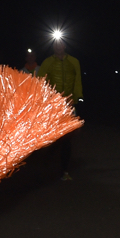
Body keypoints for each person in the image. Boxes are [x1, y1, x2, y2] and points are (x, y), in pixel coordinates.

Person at [35, 39, 82, 179]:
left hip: (69, 104)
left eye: (60, 44)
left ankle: (64, 171)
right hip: (54, 105)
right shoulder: (47, 62)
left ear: (65, 45)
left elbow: (77, 80)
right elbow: (40, 81)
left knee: (67, 138)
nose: (58, 46)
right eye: (55, 44)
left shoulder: (74, 62)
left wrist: (78, 97)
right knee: (55, 137)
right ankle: (47, 160)